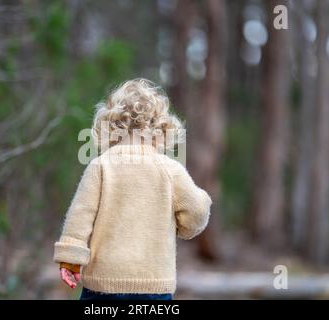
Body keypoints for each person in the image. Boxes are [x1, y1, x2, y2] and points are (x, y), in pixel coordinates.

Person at [53, 78, 212, 300]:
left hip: (103, 284)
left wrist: (70, 258)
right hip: (154, 285)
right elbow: (196, 213)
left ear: (109, 124)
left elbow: (80, 217)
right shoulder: (169, 169)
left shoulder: (101, 165)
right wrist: (183, 226)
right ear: (162, 127)